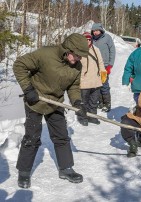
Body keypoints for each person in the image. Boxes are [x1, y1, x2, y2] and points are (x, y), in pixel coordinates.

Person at [13, 33, 89, 188]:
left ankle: (66, 168)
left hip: (55, 103)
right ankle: (24, 171)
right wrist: (28, 89)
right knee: (32, 137)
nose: (79, 59)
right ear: (68, 50)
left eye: (81, 57)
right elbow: (19, 65)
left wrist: (77, 102)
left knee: (62, 136)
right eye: (77, 55)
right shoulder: (46, 54)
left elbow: (73, 87)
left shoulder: (77, 66)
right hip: (35, 100)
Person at [79, 32, 107, 126]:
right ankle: (83, 117)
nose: (87, 41)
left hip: (96, 80)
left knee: (94, 101)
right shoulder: (78, 50)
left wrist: (103, 72)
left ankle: (92, 117)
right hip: (84, 81)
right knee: (84, 101)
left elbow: (100, 62)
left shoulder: (96, 50)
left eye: (89, 39)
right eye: (85, 39)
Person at [91, 23, 116, 112]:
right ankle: (100, 102)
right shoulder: (91, 39)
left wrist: (110, 65)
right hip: (94, 66)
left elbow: (112, 51)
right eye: (94, 31)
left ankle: (107, 104)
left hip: (104, 66)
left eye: (97, 30)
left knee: (104, 85)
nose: (95, 33)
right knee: (96, 85)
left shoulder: (107, 38)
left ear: (101, 30)